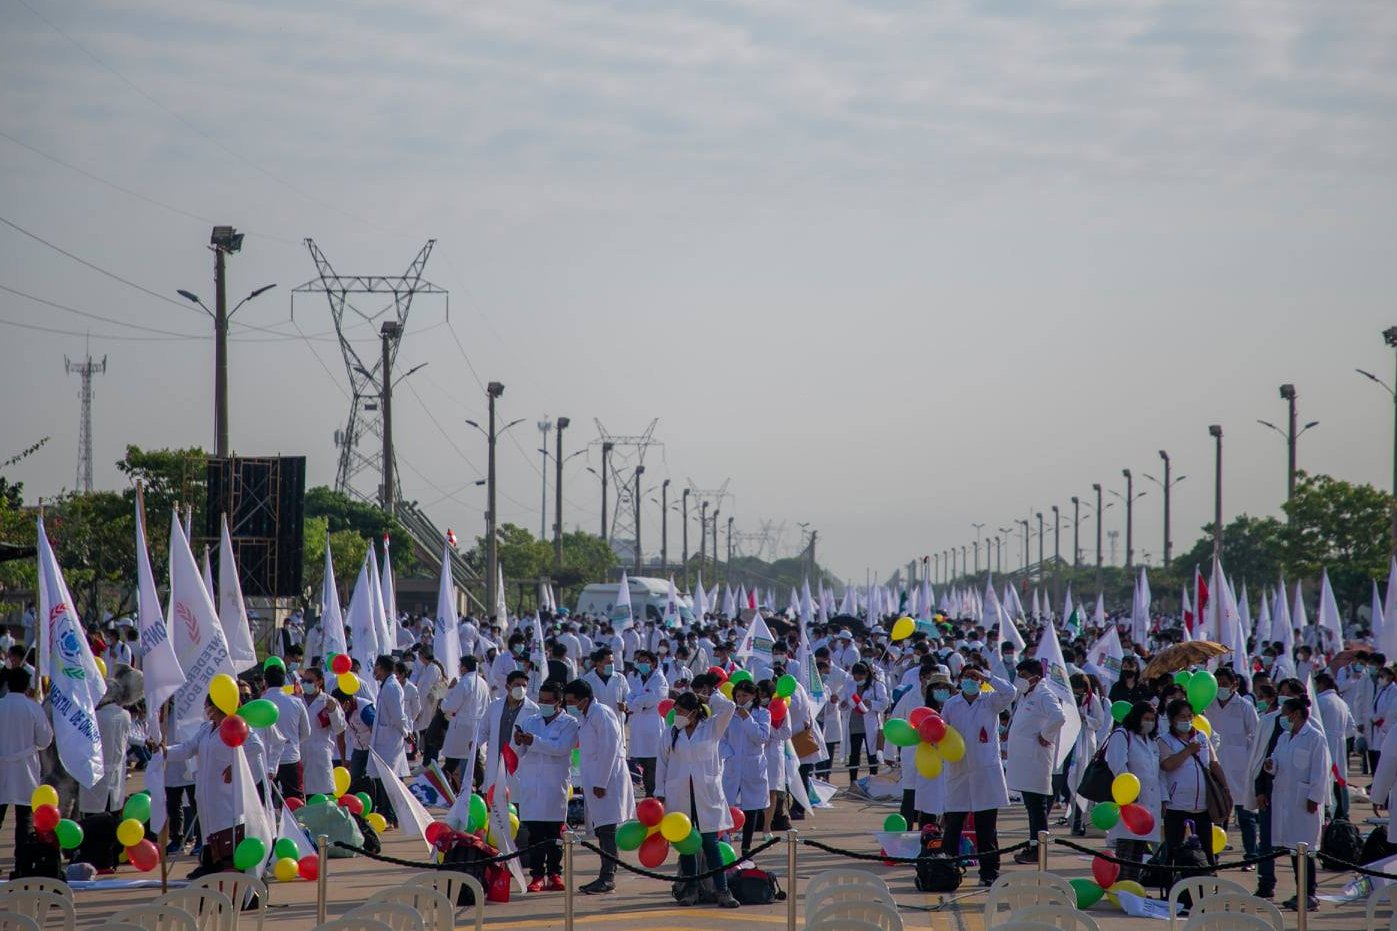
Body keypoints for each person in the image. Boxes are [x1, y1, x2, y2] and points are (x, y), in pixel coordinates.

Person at [657, 688, 741, 908]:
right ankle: (690, 890)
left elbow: (729, 707)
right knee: (687, 845)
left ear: (695, 712)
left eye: (682, 710)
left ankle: (722, 890)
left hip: (706, 795)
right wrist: (659, 793)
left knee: (711, 844)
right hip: (679, 794)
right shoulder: (671, 732)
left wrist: (705, 697)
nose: (678, 715)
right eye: (676, 710)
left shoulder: (712, 727)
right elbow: (662, 764)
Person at [163, 695, 258, 878]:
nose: (205, 709)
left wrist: (235, 765)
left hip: (226, 794)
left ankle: (230, 870)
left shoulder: (235, 725)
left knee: (225, 833)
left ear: (216, 706)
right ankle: (210, 866)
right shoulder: (206, 729)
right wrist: (164, 751)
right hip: (206, 792)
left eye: (207, 705)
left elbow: (256, 746)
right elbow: (187, 749)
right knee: (208, 832)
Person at [941, 667, 1017, 886]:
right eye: (967, 677)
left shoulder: (990, 701)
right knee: (953, 825)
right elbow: (942, 731)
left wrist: (988, 678)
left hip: (985, 770)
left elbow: (1010, 692)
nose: (971, 681)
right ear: (960, 680)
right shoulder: (951, 704)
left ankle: (989, 872)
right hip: (958, 769)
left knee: (986, 828)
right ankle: (949, 869)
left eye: (975, 678)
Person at [1260, 696, 1330, 912]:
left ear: (1297, 714)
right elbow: (1276, 762)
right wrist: (1270, 765)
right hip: (1285, 802)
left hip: (1304, 803)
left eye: (1285, 713)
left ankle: (1309, 893)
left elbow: (1321, 770)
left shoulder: (1315, 738)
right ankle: (1300, 892)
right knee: (1293, 849)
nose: (1283, 718)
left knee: (1305, 850)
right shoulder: (1284, 737)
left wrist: (1314, 797)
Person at [564, 678, 634, 894]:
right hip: (596, 780)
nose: (571, 706)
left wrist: (601, 782)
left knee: (607, 831)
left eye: (573, 702)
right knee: (603, 829)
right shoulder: (587, 716)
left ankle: (607, 877)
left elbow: (609, 749)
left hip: (607, 781)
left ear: (584, 700)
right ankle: (606, 875)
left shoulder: (601, 714)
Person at [513, 680, 579, 892]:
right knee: (535, 836)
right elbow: (520, 752)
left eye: (548, 701)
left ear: (559, 702)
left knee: (554, 835)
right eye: (540, 700)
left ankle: (554, 873)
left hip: (554, 786)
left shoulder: (569, 723)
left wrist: (535, 741)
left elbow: (561, 748)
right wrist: (520, 741)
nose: (543, 704)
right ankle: (537, 876)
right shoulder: (531, 721)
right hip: (532, 785)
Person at [1005, 657, 1067, 864]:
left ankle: (1038, 849)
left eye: (1023, 676)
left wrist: (1046, 735)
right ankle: (1033, 843)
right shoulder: (1026, 694)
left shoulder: (1044, 693)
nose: (1019, 679)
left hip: (1035, 759)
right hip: (1025, 761)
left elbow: (1059, 717)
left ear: (1035, 677)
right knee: (1032, 806)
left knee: (1037, 806)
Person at [1158, 698, 1221, 864]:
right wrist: (1188, 750)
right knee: (1175, 850)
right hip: (1177, 805)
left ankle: (1208, 881)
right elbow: (1167, 764)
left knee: (1207, 848)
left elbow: (1213, 763)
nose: (1186, 720)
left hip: (1202, 805)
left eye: (1189, 716)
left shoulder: (1201, 736)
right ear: (1172, 720)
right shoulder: (1164, 740)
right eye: (1182, 717)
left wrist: (1225, 788)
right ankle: (1173, 884)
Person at [1103, 701, 1160, 882]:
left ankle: (1133, 888)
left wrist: (1163, 799)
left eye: (1152, 719)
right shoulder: (1122, 735)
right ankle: (1122, 889)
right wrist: (1130, 792)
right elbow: (1118, 765)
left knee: (1139, 852)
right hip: (1129, 800)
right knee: (1126, 849)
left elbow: (1157, 773)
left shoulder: (1151, 741)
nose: (1149, 723)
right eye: (1146, 719)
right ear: (1136, 717)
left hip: (1149, 803)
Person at [0, 668, 52, 849]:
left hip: (2, 767)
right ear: (27, 686)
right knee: (25, 819)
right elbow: (45, 739)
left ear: (8, 684)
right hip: (25, 768)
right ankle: (21, 862)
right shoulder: (33, 708)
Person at [1210, 668, 1258, 860]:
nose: (1221, 686)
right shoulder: (1208, 704)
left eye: (1224, 683)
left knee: (1245, 815)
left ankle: (1250, 855)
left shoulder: (1245, 706)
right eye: (1218, 682)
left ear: (1234, 685)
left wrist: (1247, 755)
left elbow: (1256, 734)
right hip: (1216, 766)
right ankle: (1215, 855)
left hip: (1241, 767)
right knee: (1218, 814)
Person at [721, 679, 771, 856]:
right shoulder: (729, 714)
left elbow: (762, 737)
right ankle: (725, 844)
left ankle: (746, 848)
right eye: (738, 695)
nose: (741, 699)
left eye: (745, 695)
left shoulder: (763, 714)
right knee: (727, 805)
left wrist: (747, 718)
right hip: (733, 765)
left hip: (753, 765)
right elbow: (722, 739)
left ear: (755, 695)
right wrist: (728, 754)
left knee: (751, 806)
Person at [368, 655, 410, 828]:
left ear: (382, 667)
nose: (374, 671)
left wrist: (406, 732)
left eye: (376, 667)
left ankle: (391, 817)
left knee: (389, 780)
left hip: (391, 740)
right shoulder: (386, 685)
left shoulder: (392, 687)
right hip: (386, 740)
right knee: (384, 779)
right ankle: (389, 816)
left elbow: (397, 716)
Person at [441, 656, 490, 792]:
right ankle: (481, 789)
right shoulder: (482, 683)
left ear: (464, 667)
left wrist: (443, 702)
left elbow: (452, 706)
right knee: (474, 760)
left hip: (462, 729)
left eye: (459, 666)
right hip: (477, 726)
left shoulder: (464, 683)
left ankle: (442, 789)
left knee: (453, 760)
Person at [263, 665, 311, 800]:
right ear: (284, 682)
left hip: (267, 760)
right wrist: (292, 742)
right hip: (291, 757)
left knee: (267, 803)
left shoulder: (260, 703)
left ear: (264, 681)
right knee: (295, 802)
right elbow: (306, 732)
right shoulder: (296, 702)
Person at [1313, 672, 1355, 820]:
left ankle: (1327, 811)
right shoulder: (1341, 702)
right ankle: (1344, 811)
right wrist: (1340, 736)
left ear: (1322, 685)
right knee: (1340, 779)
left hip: (1326, 744)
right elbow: (1352, 727)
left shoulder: (1320, 701)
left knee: (1326, 778)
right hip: (1340, 744)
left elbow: (1314, 725)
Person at [626, 650, 668, 798]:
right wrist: (636, 703)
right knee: (643, 764)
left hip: (653, 726)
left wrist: (635, 703)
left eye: (645, 661)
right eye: (640, 661)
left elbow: (651, 699)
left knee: (653, 765)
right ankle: (649, 796)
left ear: (653, 663)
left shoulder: (659, 680)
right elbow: (630, 697)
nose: (642, 664)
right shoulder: (639, 679)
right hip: (640, 726)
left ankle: (655, 796)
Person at [301, 667, 346, 798]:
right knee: (302, 794)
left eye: (309, 681)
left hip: (321, 752)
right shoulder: (297, 700)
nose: (305, 684)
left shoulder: (328, 701)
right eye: (303, 680)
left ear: (320, 682)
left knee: (324, 793)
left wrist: (333, 711)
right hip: (301, 751)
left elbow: (340, 728)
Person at [842, 662, 887, 783]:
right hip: (854, 723)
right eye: (856, 677)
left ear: (866, 674)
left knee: (871, 753)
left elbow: (884, 703)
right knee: (854, 754)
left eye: (860, 677)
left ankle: (873, 780)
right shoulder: (850, 685)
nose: (858, 679)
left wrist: (871, 703)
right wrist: (843, 704)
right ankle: (853, 782)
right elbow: (844, 701)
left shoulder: (877, 685)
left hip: (870, 723)